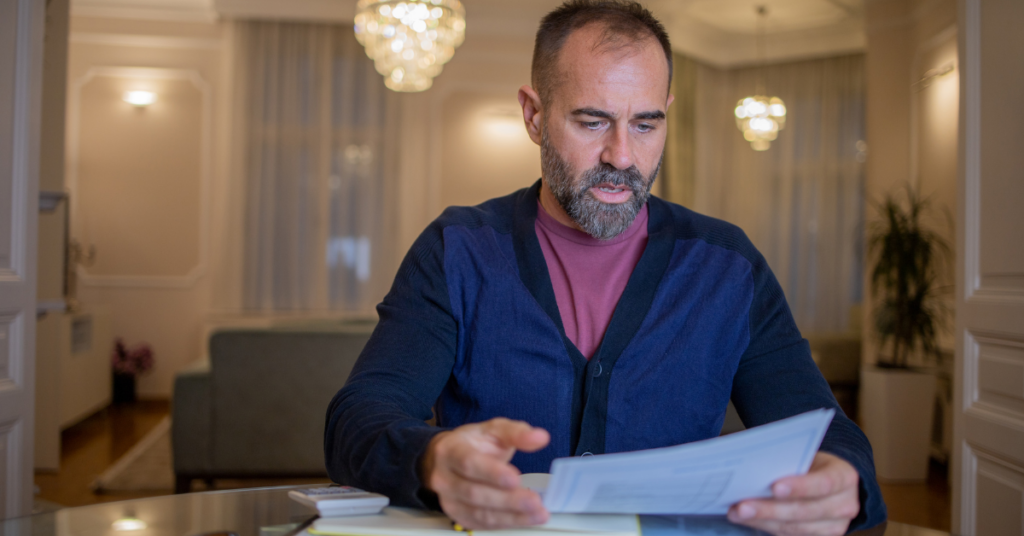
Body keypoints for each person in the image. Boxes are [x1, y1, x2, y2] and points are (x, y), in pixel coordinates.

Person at [325, 1, 886, 535]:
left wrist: (843, 481)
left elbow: (827, 432)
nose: (622, 156)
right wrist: (433, 458)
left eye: (645, 125)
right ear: (534, 115)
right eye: (593, 122)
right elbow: (358, 419)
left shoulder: (728, 266)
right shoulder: (457, 250)